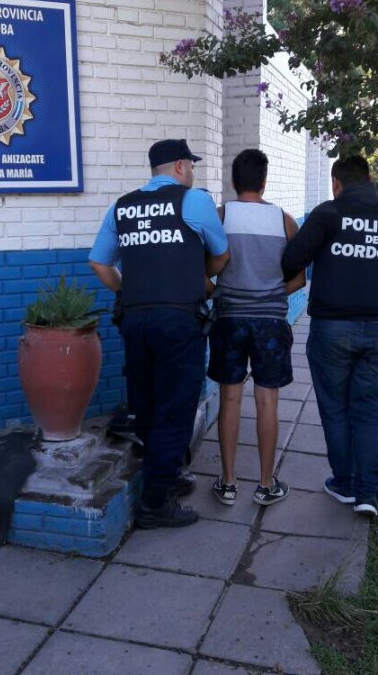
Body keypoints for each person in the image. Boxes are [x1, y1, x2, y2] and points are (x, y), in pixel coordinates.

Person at [89, 139, 229, 529]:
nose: (193, 172)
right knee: (176, 407)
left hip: (135, 321)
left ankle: (166, 473)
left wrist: (130, 292)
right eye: (192, 165)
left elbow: (99, 263)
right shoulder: (194, 200)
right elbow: (222, 255)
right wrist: (200, 279)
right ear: (181, 166)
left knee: (147, 404)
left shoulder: (123, 206)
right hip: (178, 321)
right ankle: (155, 503)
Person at [281, 155, 378, 517]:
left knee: (335, 408)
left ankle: (345, 483)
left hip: (331, 330)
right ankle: (368, 493)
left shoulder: (328, 214)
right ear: (369, 180)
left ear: (336, 183)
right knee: (368, 411)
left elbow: (291, 260)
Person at [207, 149, 306, 507]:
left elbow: (207, 270)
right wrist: (270, 294)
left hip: (229, 319)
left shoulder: (220, 217)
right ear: (264, 181)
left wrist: (223, 293)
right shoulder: (284, 221)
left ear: (234, 181)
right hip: (271, 323)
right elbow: (299, 280)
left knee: (229, 399)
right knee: (267, 402)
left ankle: (228, 483)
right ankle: (266, 484)